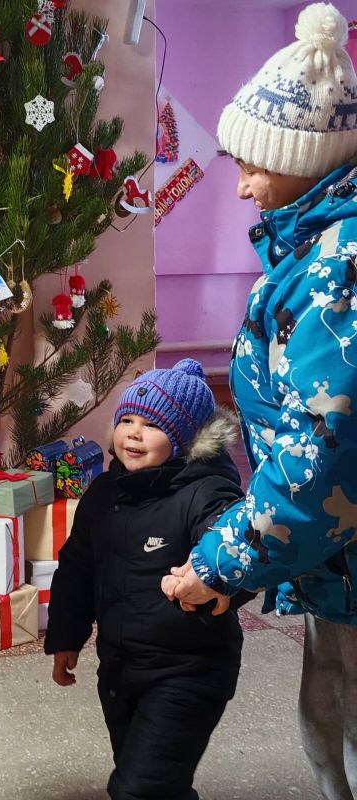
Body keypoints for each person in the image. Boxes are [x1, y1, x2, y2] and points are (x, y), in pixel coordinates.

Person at [161, 5, 357, 799]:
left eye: (252, 166)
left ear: (303, 158)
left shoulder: (339, 270)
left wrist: (221, 563)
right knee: (329, 713)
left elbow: (321, 454)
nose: (241, 186)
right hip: (334, 562)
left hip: (338, 545)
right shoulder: (312, 248)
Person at [45, 359, 248, 800]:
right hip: (120, 667)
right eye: (127, 421)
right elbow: (77, 569)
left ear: (184, 440)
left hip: (189, 670)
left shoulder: (207, 492)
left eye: (152, 425)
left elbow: (242, 544)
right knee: (149, 779)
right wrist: (66, 636)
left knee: (140, 790)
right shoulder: (103, 494)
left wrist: (215, 577)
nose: (133, 433)